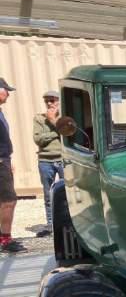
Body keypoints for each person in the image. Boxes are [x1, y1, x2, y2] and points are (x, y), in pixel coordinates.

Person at [0, 77, 26, 253]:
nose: (8, 94)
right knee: (9, 201)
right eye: (6, 90)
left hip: (4, 160)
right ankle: (6, 240)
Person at [33, 90, 63, 238]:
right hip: (45, 160)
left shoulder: (64, 117)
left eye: (53, 100)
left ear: (59, 100)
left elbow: (69, 131)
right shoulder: (39, 118)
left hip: (63, 159)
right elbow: (38, 140)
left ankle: (69, 222)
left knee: (69, 192)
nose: (50, 103)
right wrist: (57, 132)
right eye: (47, 101)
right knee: (48, 194)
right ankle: (51, 225)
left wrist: (53, 121)